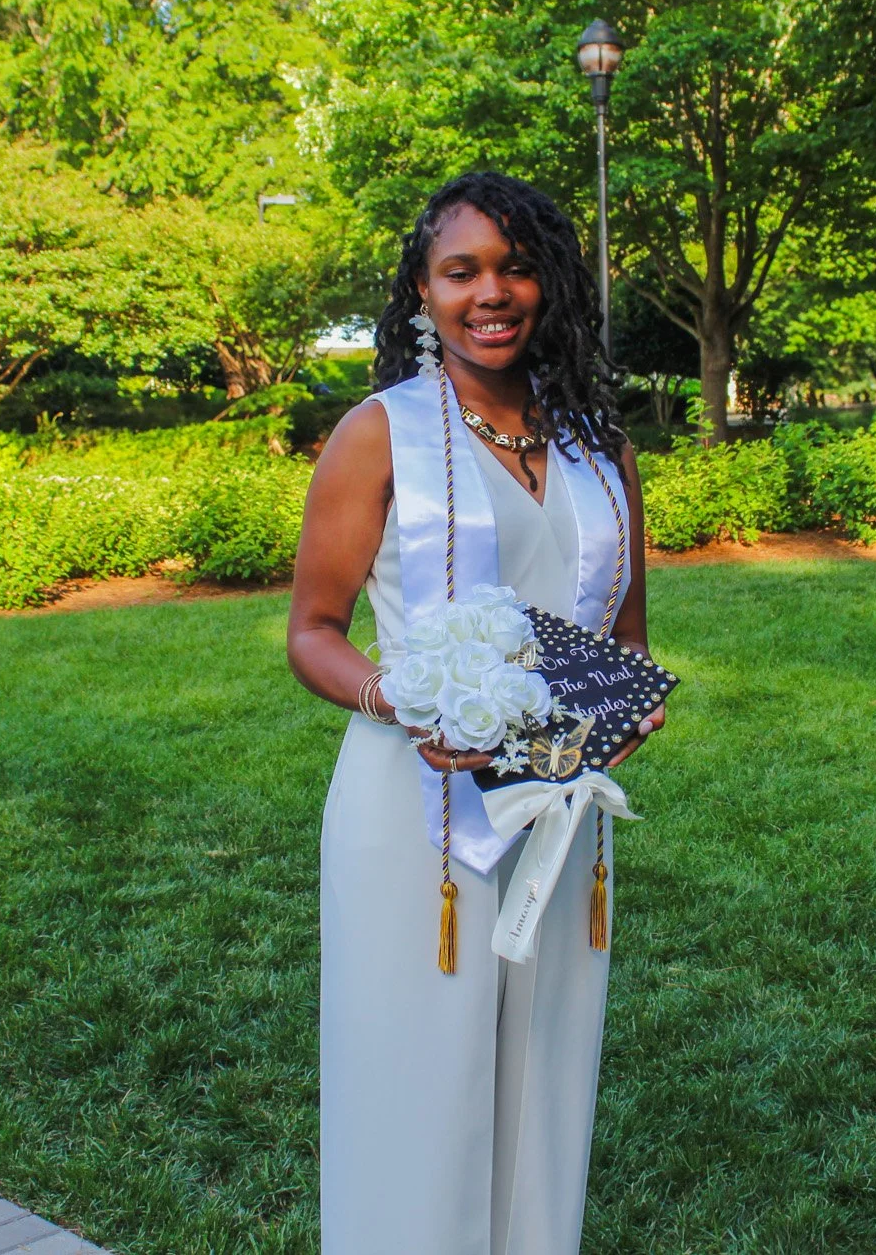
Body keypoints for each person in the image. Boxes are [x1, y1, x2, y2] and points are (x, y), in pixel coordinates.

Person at [287, 171, 664, 1255]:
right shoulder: (379, 433)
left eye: (514, 266)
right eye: (461, 271)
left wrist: (629, 706)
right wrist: (393, 696)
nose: (489, 293)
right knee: (416, 1079)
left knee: (543, 1071)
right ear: (420, 290)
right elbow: (312, 629)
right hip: (411, 807)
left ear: (548, 284)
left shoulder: (603, 450)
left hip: (556, 804)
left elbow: (624, 636)